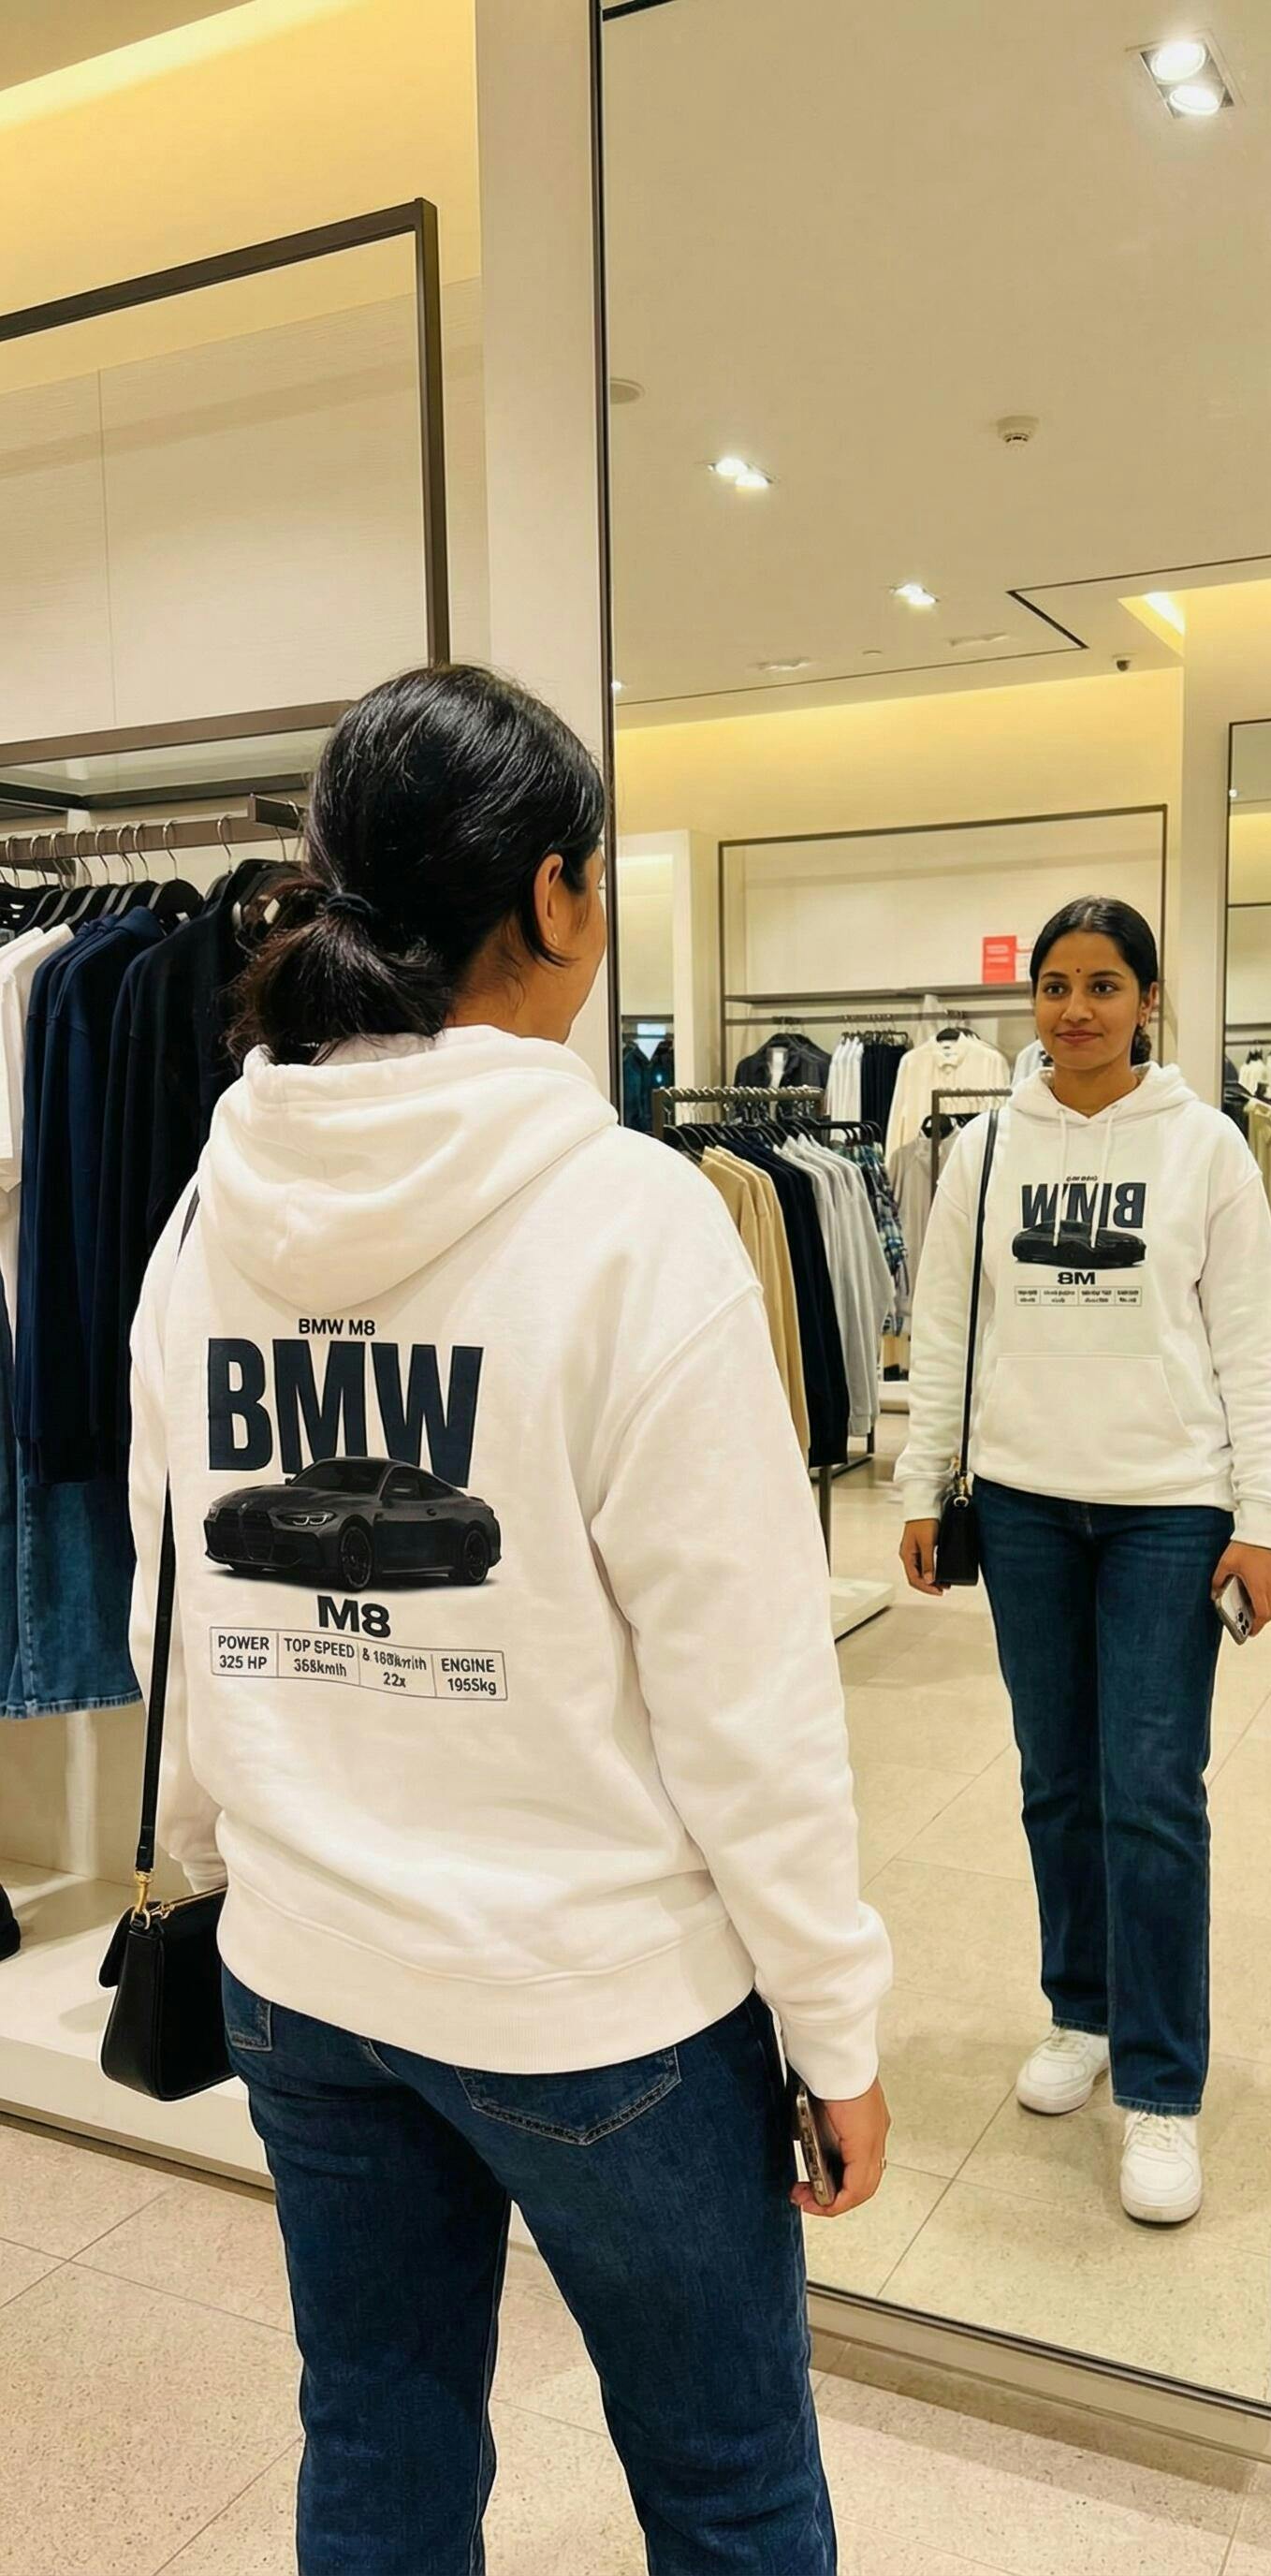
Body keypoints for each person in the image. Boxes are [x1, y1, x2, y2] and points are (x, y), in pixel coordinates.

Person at [128, 665, 892, 2574]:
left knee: (375, 2437)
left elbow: (186, 1598)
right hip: (599, 2000)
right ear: (553, 896)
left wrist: (222, 1856)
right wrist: (834, 2020)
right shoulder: (632, 1221)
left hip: (308, 1972)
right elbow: (748, 1692)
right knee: (727, 2479)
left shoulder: (212, 1210)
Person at [898, 897, 1271, 2226]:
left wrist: (1263, 1517)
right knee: (1056, 1780)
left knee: (1154, 1793)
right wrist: (922, 1482)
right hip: (1022, 1507)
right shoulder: (988, 1146)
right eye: (1057, 985)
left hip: (1167, 1511)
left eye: (1105, 985)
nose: (1076, 1009)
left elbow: (1252, 1346)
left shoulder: (1207, 1146)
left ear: (1149, 1001)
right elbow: (944, 1325)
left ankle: (1164, 2088)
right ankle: (1083, 2011)